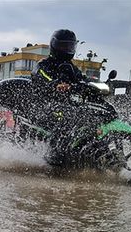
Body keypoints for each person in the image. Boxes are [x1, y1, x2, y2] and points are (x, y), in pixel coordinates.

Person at [31, 29, 89, 165]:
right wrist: (56, 84)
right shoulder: (44, 64)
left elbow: (82, 80)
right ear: (54, 46)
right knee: (65, 116)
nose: (66, 49)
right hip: (43, 104)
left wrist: (94, 85)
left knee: (85, 114)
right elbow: (42, 75)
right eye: (63, 46)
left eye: (69, 46)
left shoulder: (72, 68)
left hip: (66, 104)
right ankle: (55, 154)